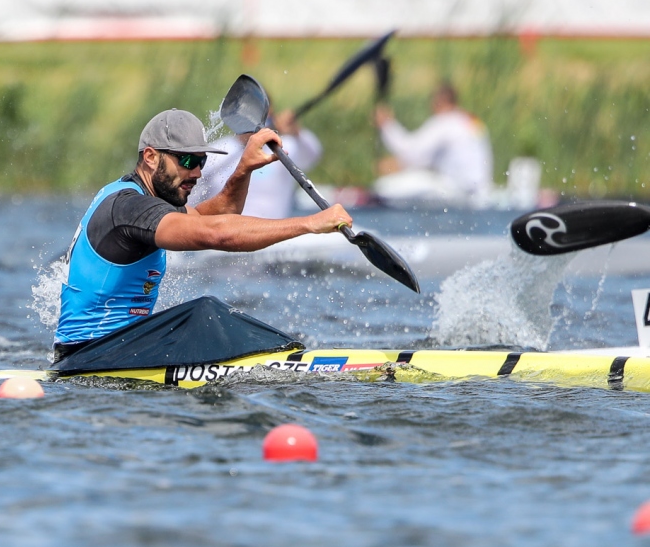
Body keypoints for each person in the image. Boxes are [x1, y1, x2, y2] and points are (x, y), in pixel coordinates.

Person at [53, 108, 351, 361]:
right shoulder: (130, 207)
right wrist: (309, 224)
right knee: (204, 312)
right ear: (151, 157)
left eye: (201, 162)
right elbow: (218, 235)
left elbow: (217, 216)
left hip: (113, 349)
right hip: (92, 355)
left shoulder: (140, 199)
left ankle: (283, 357)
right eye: (186, 161)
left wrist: (243, 169)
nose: (196, 173)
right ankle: (289, 360)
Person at [373, 82, 493, 207]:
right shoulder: (471, 121)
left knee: (383, 186)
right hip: (480, 191)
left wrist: (386, 125)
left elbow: (411, 152)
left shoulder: (445, 122)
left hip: (459, 192)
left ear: (439, 102)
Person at [188, 108, 322, 218]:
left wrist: (296, 132)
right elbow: (190, 200)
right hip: (223, 241)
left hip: (274, 241)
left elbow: (313, 154)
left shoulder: (284, 146)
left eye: (262, 118)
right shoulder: (216, 152)